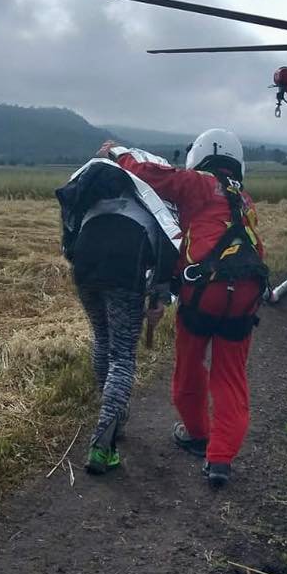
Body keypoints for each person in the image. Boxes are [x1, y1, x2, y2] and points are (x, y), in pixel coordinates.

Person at [101, 129, 268, 488]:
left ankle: (196, 434)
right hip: (247, 292)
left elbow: (152, 176)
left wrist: (118, 153)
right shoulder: (245, 199)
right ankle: (220, 460)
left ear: (201, 157)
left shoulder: (199, 183)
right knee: (231, 376)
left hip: (201, 291)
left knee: (190, 366)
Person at [55, 151, 180, 475]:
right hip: (123, 272)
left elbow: (70, 242)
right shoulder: (151, 207)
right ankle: (102, 444)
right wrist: (158, 301)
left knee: (102, 339)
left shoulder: (96, 202)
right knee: (122, 355)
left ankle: (113, 416)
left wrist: (151, 302)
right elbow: (164, 258)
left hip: (85, 267)